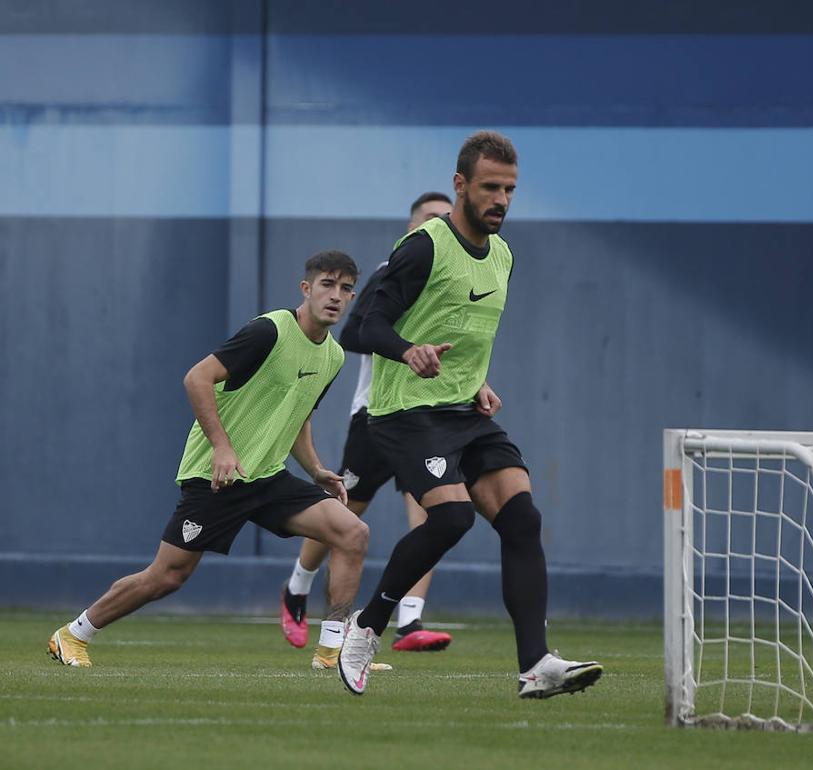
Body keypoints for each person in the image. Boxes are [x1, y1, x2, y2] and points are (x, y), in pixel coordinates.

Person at [335, 130, 603, 698]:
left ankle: (536, 665)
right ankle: (368, 625)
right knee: (452, 519)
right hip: (405, 411)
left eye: (509, 188)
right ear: (461, 185)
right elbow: (364, 327)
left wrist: (477, 381)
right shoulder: (423, 247)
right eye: (489, 187)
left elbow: (464, 331)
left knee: (523, 521)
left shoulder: (503, 255)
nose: (501, 199)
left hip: (465, 412)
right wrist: (408, 351)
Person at [48, 252, 379, 672]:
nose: (336, 295)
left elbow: (299, 416)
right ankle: (73, 634)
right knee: (167, 576)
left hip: (268, 478)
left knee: (352, 533)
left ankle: (332, 652)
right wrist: (222, 446)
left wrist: (315, 469)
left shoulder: (332, 356)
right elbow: (196, 378)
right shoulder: (269, 331)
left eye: (346, 288)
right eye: (327, 284)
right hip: (216, 477)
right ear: (306, 288)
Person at [281, 193, 456, 659]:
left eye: (447, 219)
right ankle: (297, 587)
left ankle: (410, 618)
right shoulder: (392, 271)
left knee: (433, 510)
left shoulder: (457, 280)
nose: (441, 226)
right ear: (411, 230)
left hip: (431, 415)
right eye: (430, 220)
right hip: (378, 414)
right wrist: (406, 349)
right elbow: (356, 332)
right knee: (345, 515)